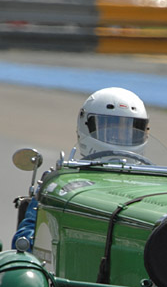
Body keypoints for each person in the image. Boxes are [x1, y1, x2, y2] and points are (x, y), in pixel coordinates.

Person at [13, 87, 150, 249]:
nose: (119, 138)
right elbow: (23, 241)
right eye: (110, 130)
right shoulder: (59, 182)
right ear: (85, 127)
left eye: (129, 132)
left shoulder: (151, 184)